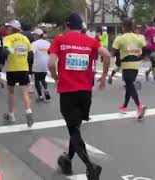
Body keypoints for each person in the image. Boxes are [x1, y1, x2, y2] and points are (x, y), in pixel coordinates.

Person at [48, 13, 111, 180]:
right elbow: (107, 55)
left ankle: (91, 166)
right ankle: (67, 160)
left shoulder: (60, 40)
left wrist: (55, 77)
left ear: (67, 25)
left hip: (68, 92)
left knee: (73, 129)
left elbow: (51, 63)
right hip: (85, 93)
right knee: (75, 128)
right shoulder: (90, 41)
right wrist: (104, 76)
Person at [113, 19, 147, 119]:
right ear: (132, 27)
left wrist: (118, 60)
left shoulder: (120, 38)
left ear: (123, 27)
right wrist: (141, 57)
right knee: (129, 85)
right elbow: (145, 49)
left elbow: (114, 51)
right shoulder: (139, 37)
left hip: (126, 64)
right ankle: (124, 106)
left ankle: (139, 107)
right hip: (136, 64)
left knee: (129, 85)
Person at [2, 20, 34, 127]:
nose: (7, 29)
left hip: (12, 69)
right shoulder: (25, 39)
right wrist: (29, 68)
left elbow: (5, 50)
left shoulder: (8, 38)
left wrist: (8, 55)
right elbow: (30, 54)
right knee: (25, 92)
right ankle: (28, 111)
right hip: (24, 68)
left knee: (11, 92)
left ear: (12, 28)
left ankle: (11, 115)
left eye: (8, 28)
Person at [31, 28, 51, 101]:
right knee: (43, 78)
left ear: (37, 35)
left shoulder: (34, 43)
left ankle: (40, 96)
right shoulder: (48, 43)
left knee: (37, 80)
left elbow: (31, 53)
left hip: (37, 64)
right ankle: (46, 90)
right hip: (46, 64)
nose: (33, 36)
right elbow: (50, 52)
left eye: (34, 34)